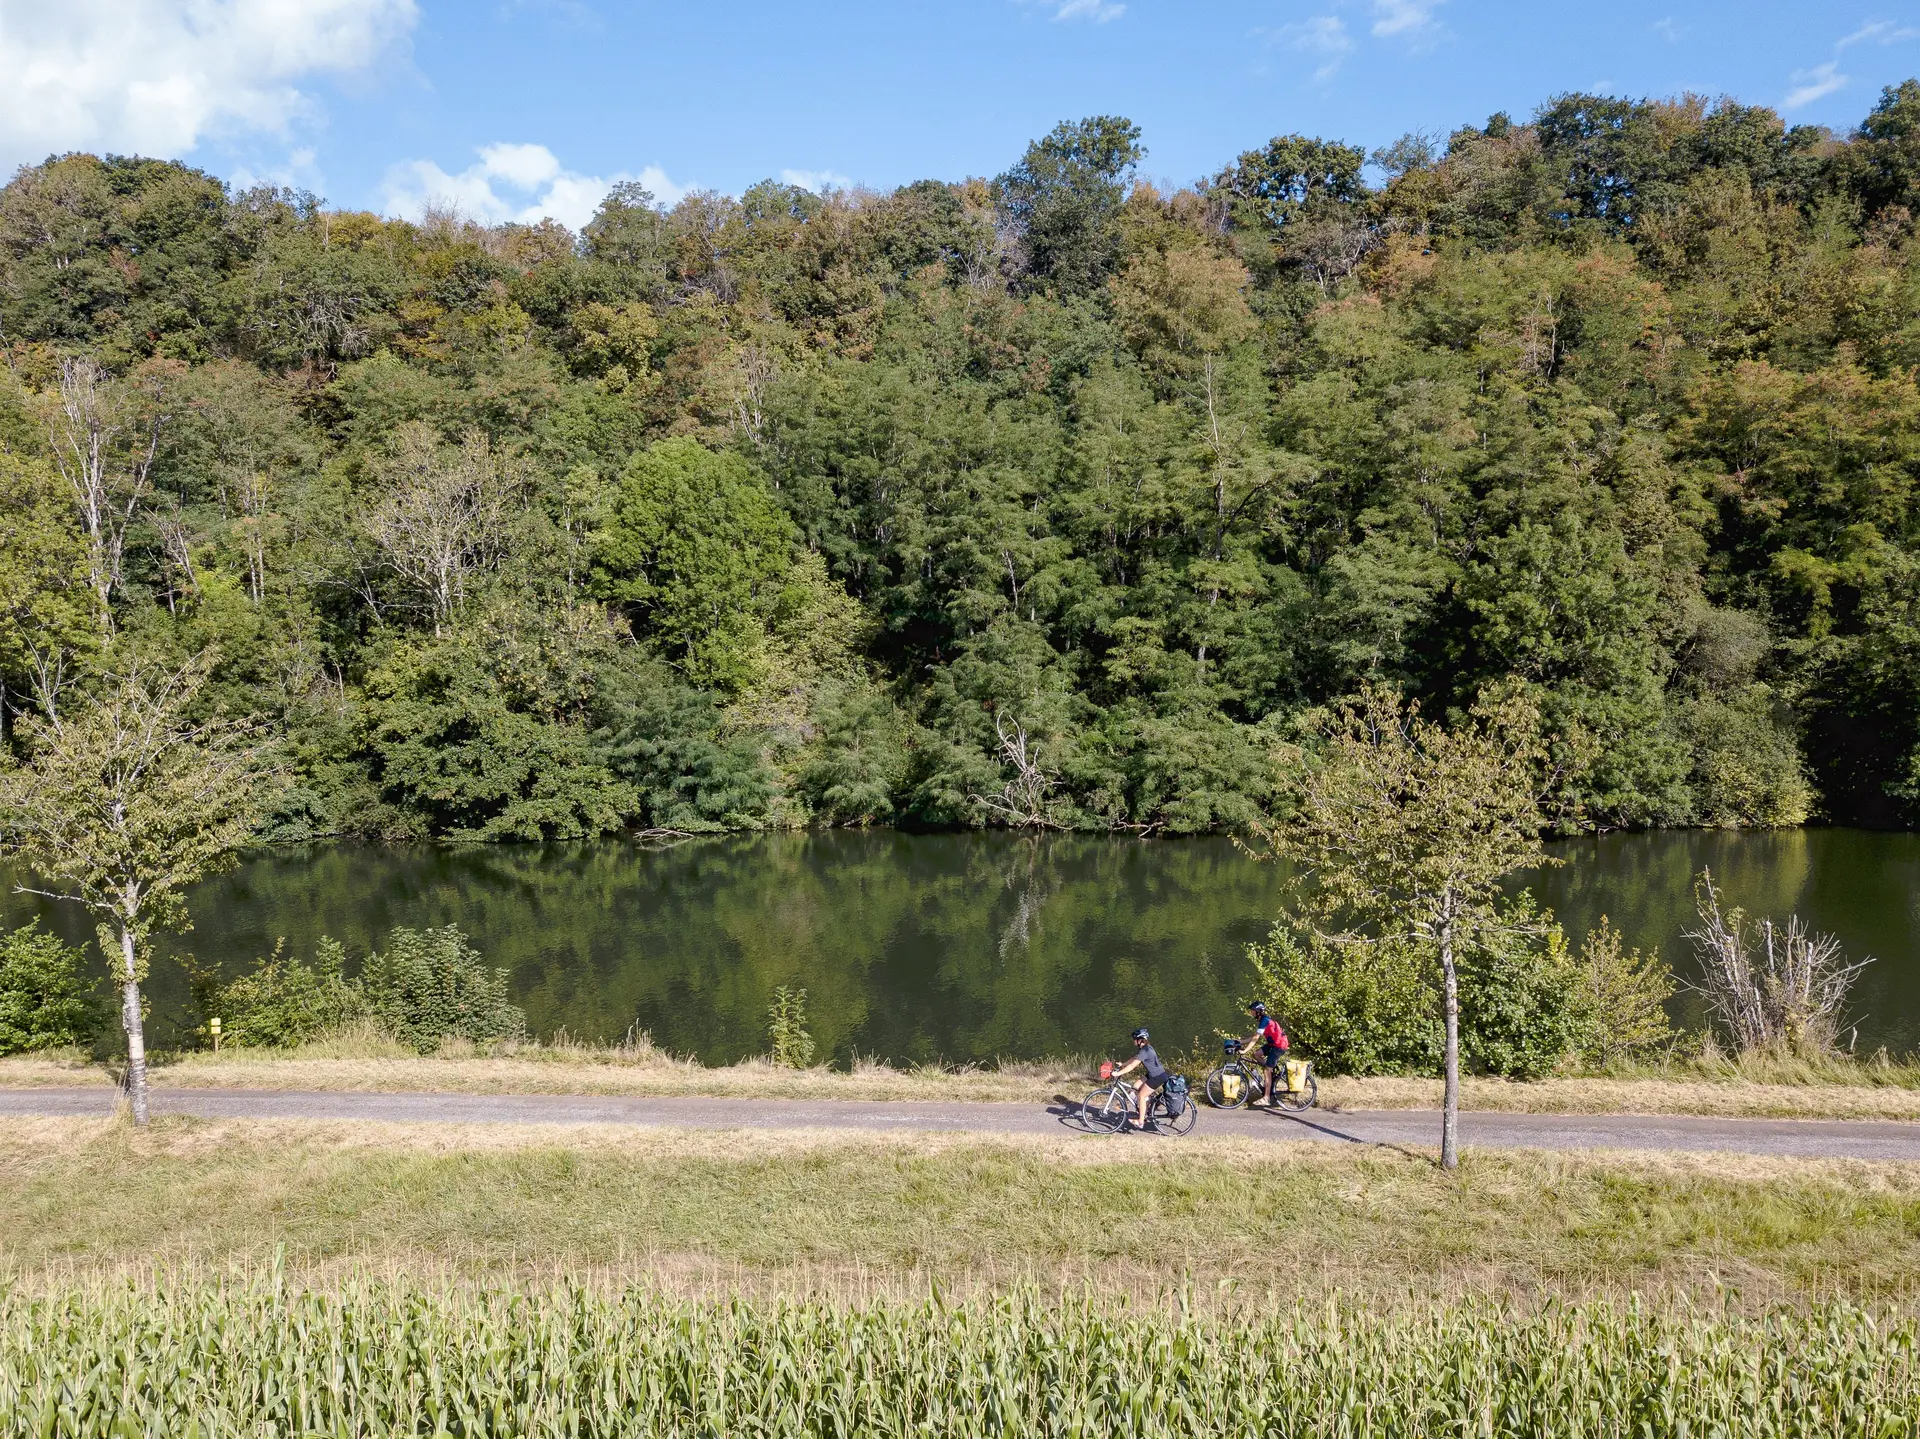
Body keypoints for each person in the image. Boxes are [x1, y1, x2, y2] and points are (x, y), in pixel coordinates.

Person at [1109, 1027, 1170, 1130]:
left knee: (1141, 1095)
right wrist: (1122, 1064)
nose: (1133, 1041)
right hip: (1154, 1074)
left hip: (1157, 1076)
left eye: (1134, 1039)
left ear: (1140, 1040)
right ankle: (1145, 1107)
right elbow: (1134, 1059)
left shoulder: (1145, 1051)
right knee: (1135, 1086)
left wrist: (1118, 1073)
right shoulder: (1145, 1048)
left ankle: (1141, 1121)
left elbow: (1132, 1066)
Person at [1237, 1001, 1289, 1106]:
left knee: (1266, 1071)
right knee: (1256, 1054)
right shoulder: (1263, 1020)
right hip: (1272, 1044)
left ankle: (1266, 1098)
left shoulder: (1264, 1020)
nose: (1251, 1013)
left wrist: (1245, 1050)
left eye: (1253, 1011)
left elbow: (1256, 1038)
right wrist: (1240, 1042)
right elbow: (1255, 1036)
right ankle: (1270, 1073)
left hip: (1279, 1046)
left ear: (1258, 1012)